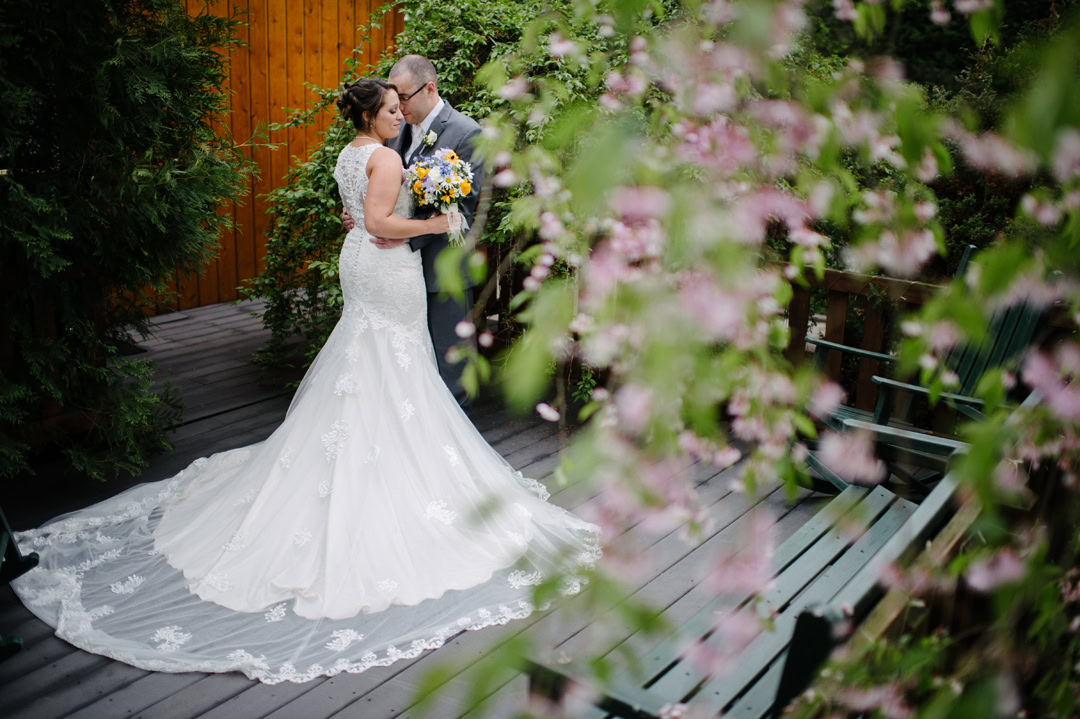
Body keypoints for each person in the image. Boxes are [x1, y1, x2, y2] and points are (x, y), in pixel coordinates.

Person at [11, 78, 600, 684]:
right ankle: (391, 456)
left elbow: (353, 217)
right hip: (383, 265)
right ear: (373, 116)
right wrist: (434, 223)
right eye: (392, 110)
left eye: (402, 108)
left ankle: (381, 444)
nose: (400, 117)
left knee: (372, 356)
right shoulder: (388, 157)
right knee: (391, 357)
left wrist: (402, 212)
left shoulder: (349, 153)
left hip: (360, 267)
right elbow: (377, 223)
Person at [343, 55, 482, 409]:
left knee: (449, 362)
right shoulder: (393, 129)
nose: (400, 109)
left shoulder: (467, 133)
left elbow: (465, 211)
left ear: (429, 88)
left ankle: (453, 445)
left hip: (440, 264)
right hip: (394, 269)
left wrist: (405, 235)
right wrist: (361, 213)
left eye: (403, 98)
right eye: (394, 102)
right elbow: (378, 185)